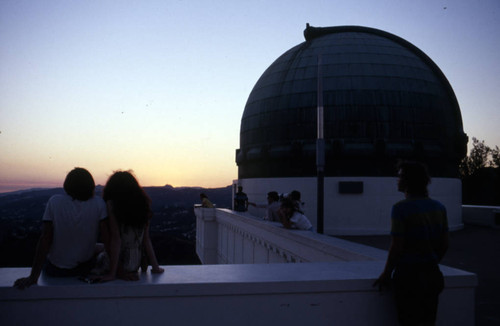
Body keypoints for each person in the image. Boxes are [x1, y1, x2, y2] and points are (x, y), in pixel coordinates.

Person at [373, 161, 449, 326]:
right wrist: (431, 261)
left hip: (408, 277)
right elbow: (444, 244)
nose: (397, 180)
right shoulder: (439, 207)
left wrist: (386, 274)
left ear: (408, 181)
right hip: (432, 274)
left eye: (399, 176)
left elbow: (397, 246)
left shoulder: (400, 209)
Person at [14, 167, 108, 289]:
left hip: (56, 271)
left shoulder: (55, 202)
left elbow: (45, 239)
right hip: (85, 268)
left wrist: (33, 277)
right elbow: (108, 238)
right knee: (100, 247)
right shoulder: (98, 203)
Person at [96, 171, 164, 282]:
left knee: (93, 251)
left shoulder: (111, 205)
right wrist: (155, 267)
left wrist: (113, 273)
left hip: (121, 263)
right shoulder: (143, 205)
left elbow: (116, 239)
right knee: (99, 247)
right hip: (134, 264)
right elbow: (146, 240)